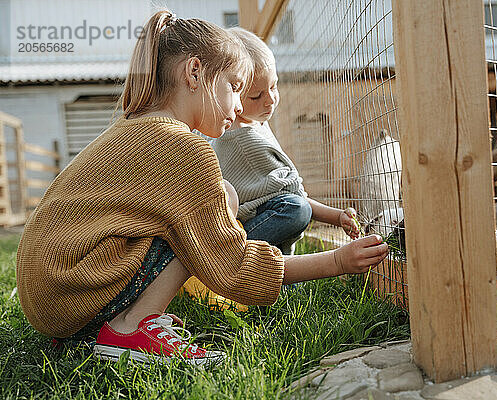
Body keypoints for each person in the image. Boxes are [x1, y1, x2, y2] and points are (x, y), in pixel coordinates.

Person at [15, 10, 388, 366]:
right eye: (235, 87)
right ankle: (131, 327)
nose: (240, 104)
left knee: (221, 193)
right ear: (195, 72)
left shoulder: (134, 127)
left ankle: (102, 326)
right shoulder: (184, 148)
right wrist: (337, 261)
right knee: (209, 212)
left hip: (50, 293)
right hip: (69, 290)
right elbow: (231, 265)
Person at [208, 27, 360, 256]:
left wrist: (338, 217)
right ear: (231, 96)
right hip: (239, 227)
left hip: (260, 218)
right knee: (295, 210)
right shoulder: (242, 138)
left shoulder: (253, 122)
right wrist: (336, 216)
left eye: (273, 86)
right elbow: (297, 197)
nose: (270, 100)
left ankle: (273, 273)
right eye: (256, 96)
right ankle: (229, 254)